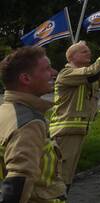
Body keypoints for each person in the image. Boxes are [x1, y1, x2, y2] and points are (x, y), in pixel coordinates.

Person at [49, 37, 100, 186]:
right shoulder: (66, 74)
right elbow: (93, 72)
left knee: (67, 178)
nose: (88, 54)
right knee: (58, 178)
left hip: (77, 133)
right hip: (64, 134)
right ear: (71, 57)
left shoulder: (89, 78)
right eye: (84, 51)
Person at [0, 46, 66, 203]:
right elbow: (18, 180)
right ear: (26, 79)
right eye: (46, 69)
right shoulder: (29, 122)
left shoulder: (7, 110)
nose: (54, 73)